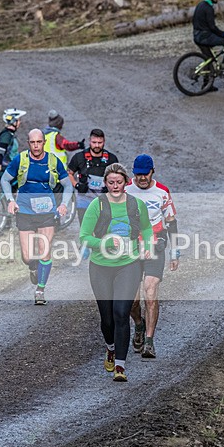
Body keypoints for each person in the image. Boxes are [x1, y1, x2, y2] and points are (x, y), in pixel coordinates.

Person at [80, 163, 154, 382]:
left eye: (119, 182)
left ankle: (120, 366)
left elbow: (147, 227)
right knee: (107, 318)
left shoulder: (136, 204)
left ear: (126, 182)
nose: (115, 186)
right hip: (101, 266)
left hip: (128, 264)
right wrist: (104, 243)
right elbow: (84, 237)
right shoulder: (97, 205)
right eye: (110, 182)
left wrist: (148, 244)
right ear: (105, 183)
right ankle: (110, 348)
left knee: (121, 313)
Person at [1, 128, 73, 305]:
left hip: (47, 212)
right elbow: (5, 179)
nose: (36, 146)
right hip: (24, 210)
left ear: (44, 142)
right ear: (28, 143)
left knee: (45, 251)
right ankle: (33, 267)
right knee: (27, 256)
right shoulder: (21, 159)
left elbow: (68, 185)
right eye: (32, 142)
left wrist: (64, 204)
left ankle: (40, 290)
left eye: (39, 142)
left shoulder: (52, 161)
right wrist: (11, 200)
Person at [124, 154, 179, 359]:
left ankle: (149, 341)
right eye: (138, 175)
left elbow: (171, 222)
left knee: (150, 289)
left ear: (152, 171)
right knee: (131, 299)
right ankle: (139, 324)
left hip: (156, 243)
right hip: (131, 246)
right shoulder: (126, 190)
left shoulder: (162, 192)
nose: (142, 179)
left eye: (145, 174)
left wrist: (175, 252)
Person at [67, 128, 119, 224]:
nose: (97, 145)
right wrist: (77, 185)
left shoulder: (112, 159)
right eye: (94, 142)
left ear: (104, 142)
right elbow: (69, 174)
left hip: (104, 201)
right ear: (89, 141)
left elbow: (119, 179)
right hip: (84, 201)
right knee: (86, 230)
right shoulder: (79, 157)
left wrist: (111, 188)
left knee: (102, 231)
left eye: (100, 143)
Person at [0, 108, 26, 178]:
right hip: (7, 168)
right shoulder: (6, 136)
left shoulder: (10, 134)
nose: (20, 122)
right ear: (14, 121)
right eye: (19, 120)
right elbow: (0, 152)